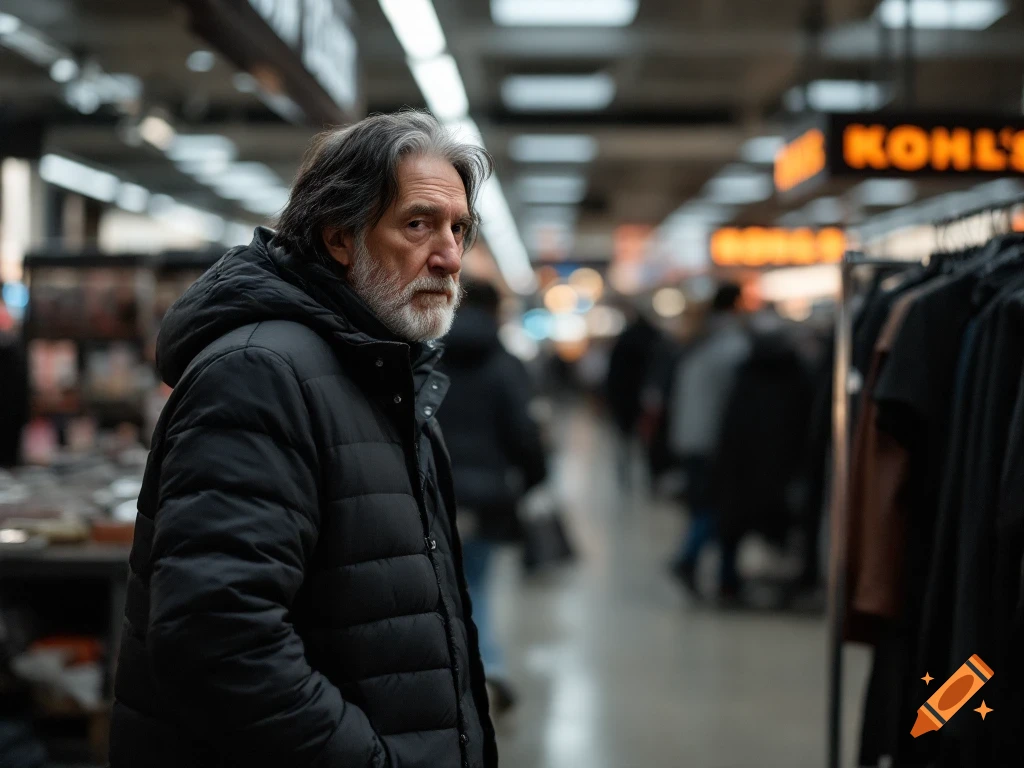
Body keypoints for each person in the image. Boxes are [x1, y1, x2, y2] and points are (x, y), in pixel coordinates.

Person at [109, 111, 497, 768]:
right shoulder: (260, 375)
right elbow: (219, 637)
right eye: (418, 224)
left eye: (458, 228)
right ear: (341, 237)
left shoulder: (385, 377)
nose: (450, 255)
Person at [436, 279, 547, 715]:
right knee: (477, 582)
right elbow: (524, 430)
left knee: (436, 584)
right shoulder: (505, 363)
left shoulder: (424, 352)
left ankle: (447, 674)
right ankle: (490, 667)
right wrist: (532, 479)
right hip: (490, 494)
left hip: (435, 490)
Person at [668, 282, 751, 600]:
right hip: (715, 440)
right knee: (719, 508)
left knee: (705, 505)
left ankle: (723, 574)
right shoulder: (732, 344)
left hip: (689, 436)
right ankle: (690, 559)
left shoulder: (696, 338)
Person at [605, 308, 662, 490]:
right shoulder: (654, 340)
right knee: (647, 441)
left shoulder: (623, 342)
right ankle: (651, 478)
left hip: (625, 400)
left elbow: (613, 375)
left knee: (625, 442)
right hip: (647, 399)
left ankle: (625, 476)